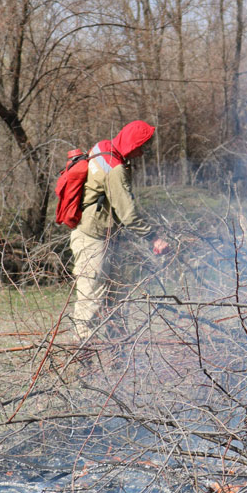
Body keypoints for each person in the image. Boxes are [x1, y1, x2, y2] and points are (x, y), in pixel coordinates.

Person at [69, 120, 169, 342]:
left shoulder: (101, 148)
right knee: (91, 301)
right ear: (131, 143)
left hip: (101, 238)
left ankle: (117, 353)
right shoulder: (115, 169)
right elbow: (128, 214)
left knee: (115, 298)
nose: (142, 153)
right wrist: (154, 237)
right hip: (93, 240)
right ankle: (83, 358)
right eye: (140, 146)